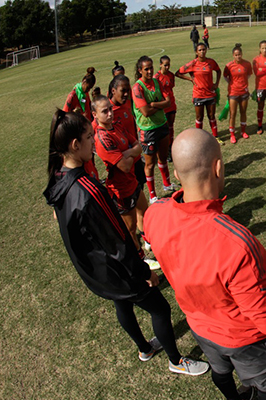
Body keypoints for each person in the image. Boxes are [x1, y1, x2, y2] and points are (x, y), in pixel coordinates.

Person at [144, 128, 266, 400]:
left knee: (220, 371)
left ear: (177, 174)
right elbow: (264, 313)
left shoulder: (154, 215)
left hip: (200, 328)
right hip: (244, 339)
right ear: (218, 168)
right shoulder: (237, 243)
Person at [44, 110, 209, 377]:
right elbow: (118, 240)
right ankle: (176, 360)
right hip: (116, 268)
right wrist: (144, 273)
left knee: (121, 303)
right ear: (75, 145)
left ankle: (145, 348)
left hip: (96, 271)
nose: (93, 145)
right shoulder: (88, 190)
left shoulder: (58, 178)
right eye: (88, 138)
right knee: (160, 307)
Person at [132, 55, 178, 204]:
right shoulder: (137, 88)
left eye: (151, 67)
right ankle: (152, 195)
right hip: (148, 129)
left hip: (162, 124)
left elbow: (168, 102)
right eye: (146, 69)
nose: (150, 71)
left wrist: (154, 104)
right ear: (140, 71)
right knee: (150, 164)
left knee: (163, 158)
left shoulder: (157, 82)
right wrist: (158, 105)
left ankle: (167, 184)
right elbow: (145, 111)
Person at [109, 74, 148, 245]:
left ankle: (146, 238)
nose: (126, 94)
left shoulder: (126, 104)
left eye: (128, 90)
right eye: (123, 91)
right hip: (123, 170)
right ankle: (137, 245)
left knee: (142, 205)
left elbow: (134, 137)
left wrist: (133, 152)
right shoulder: (107, 114)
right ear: (113, 91)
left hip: (135, 160)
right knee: (129, 217)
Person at [176, 43, 222, 144]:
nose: (202, 52)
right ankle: (199, 138)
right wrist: (190, 79)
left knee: (211, 116)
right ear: (196, 52)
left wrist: (216, 84)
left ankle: (215, 136)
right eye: (200, 50)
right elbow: (178, 73)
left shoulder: (211, 62)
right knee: (199, 117)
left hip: (210, 94)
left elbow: (218, 71)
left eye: (204, 49)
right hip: (198, 95)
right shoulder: (192, 64)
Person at [223, 43, 253, 144]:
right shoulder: (229, 66)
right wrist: (231, 83)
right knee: (233, 114)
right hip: (233, 92)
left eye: (239, 54)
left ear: (242, 54)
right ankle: (232, 135)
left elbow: (249, 74)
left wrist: (243, 83)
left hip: (244, 92)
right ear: (233, 55)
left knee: (243, 112)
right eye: (236, 55)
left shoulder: (247, 64)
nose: (238, 56)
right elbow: (225, 76)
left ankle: (243, 131)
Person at [154, 55, 177, 161]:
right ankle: (165, 150)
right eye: (165, 65)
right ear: (160, 65)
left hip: (172, 105)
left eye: (168, 65)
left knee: (171, 127)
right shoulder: (156, 78)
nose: (167, 67)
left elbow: (171, 88)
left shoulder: (171, 75)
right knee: (164, 130)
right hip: (163, 108)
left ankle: (171, 148)